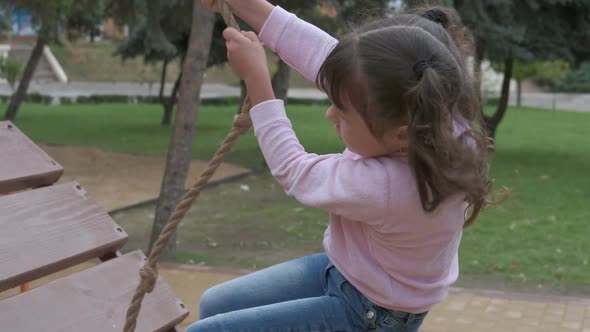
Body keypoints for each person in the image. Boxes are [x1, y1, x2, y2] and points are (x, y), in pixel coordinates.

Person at [187, 1, 492, 331]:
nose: (329, 115)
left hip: (368, 312)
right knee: (214, 304)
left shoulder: (390, 185)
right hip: (350, 272)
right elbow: (318, 51)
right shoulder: (434, 113)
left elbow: (295, 171)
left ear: (401, 135)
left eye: (342, 113)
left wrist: (258, 82)